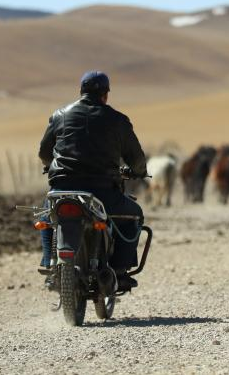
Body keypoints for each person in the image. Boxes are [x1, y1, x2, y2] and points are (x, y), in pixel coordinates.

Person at [38, 70, 147, 290]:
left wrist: (51, 165)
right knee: (134, 216)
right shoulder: (118, 120)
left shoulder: (60, 115)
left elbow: (44, 152)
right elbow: (136, 159)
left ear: (80, 92)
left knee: (47, 214)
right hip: (103, 192)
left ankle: (49, 260)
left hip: (63, 189)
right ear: (105, 95)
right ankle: (119, 270)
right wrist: (138, 171)